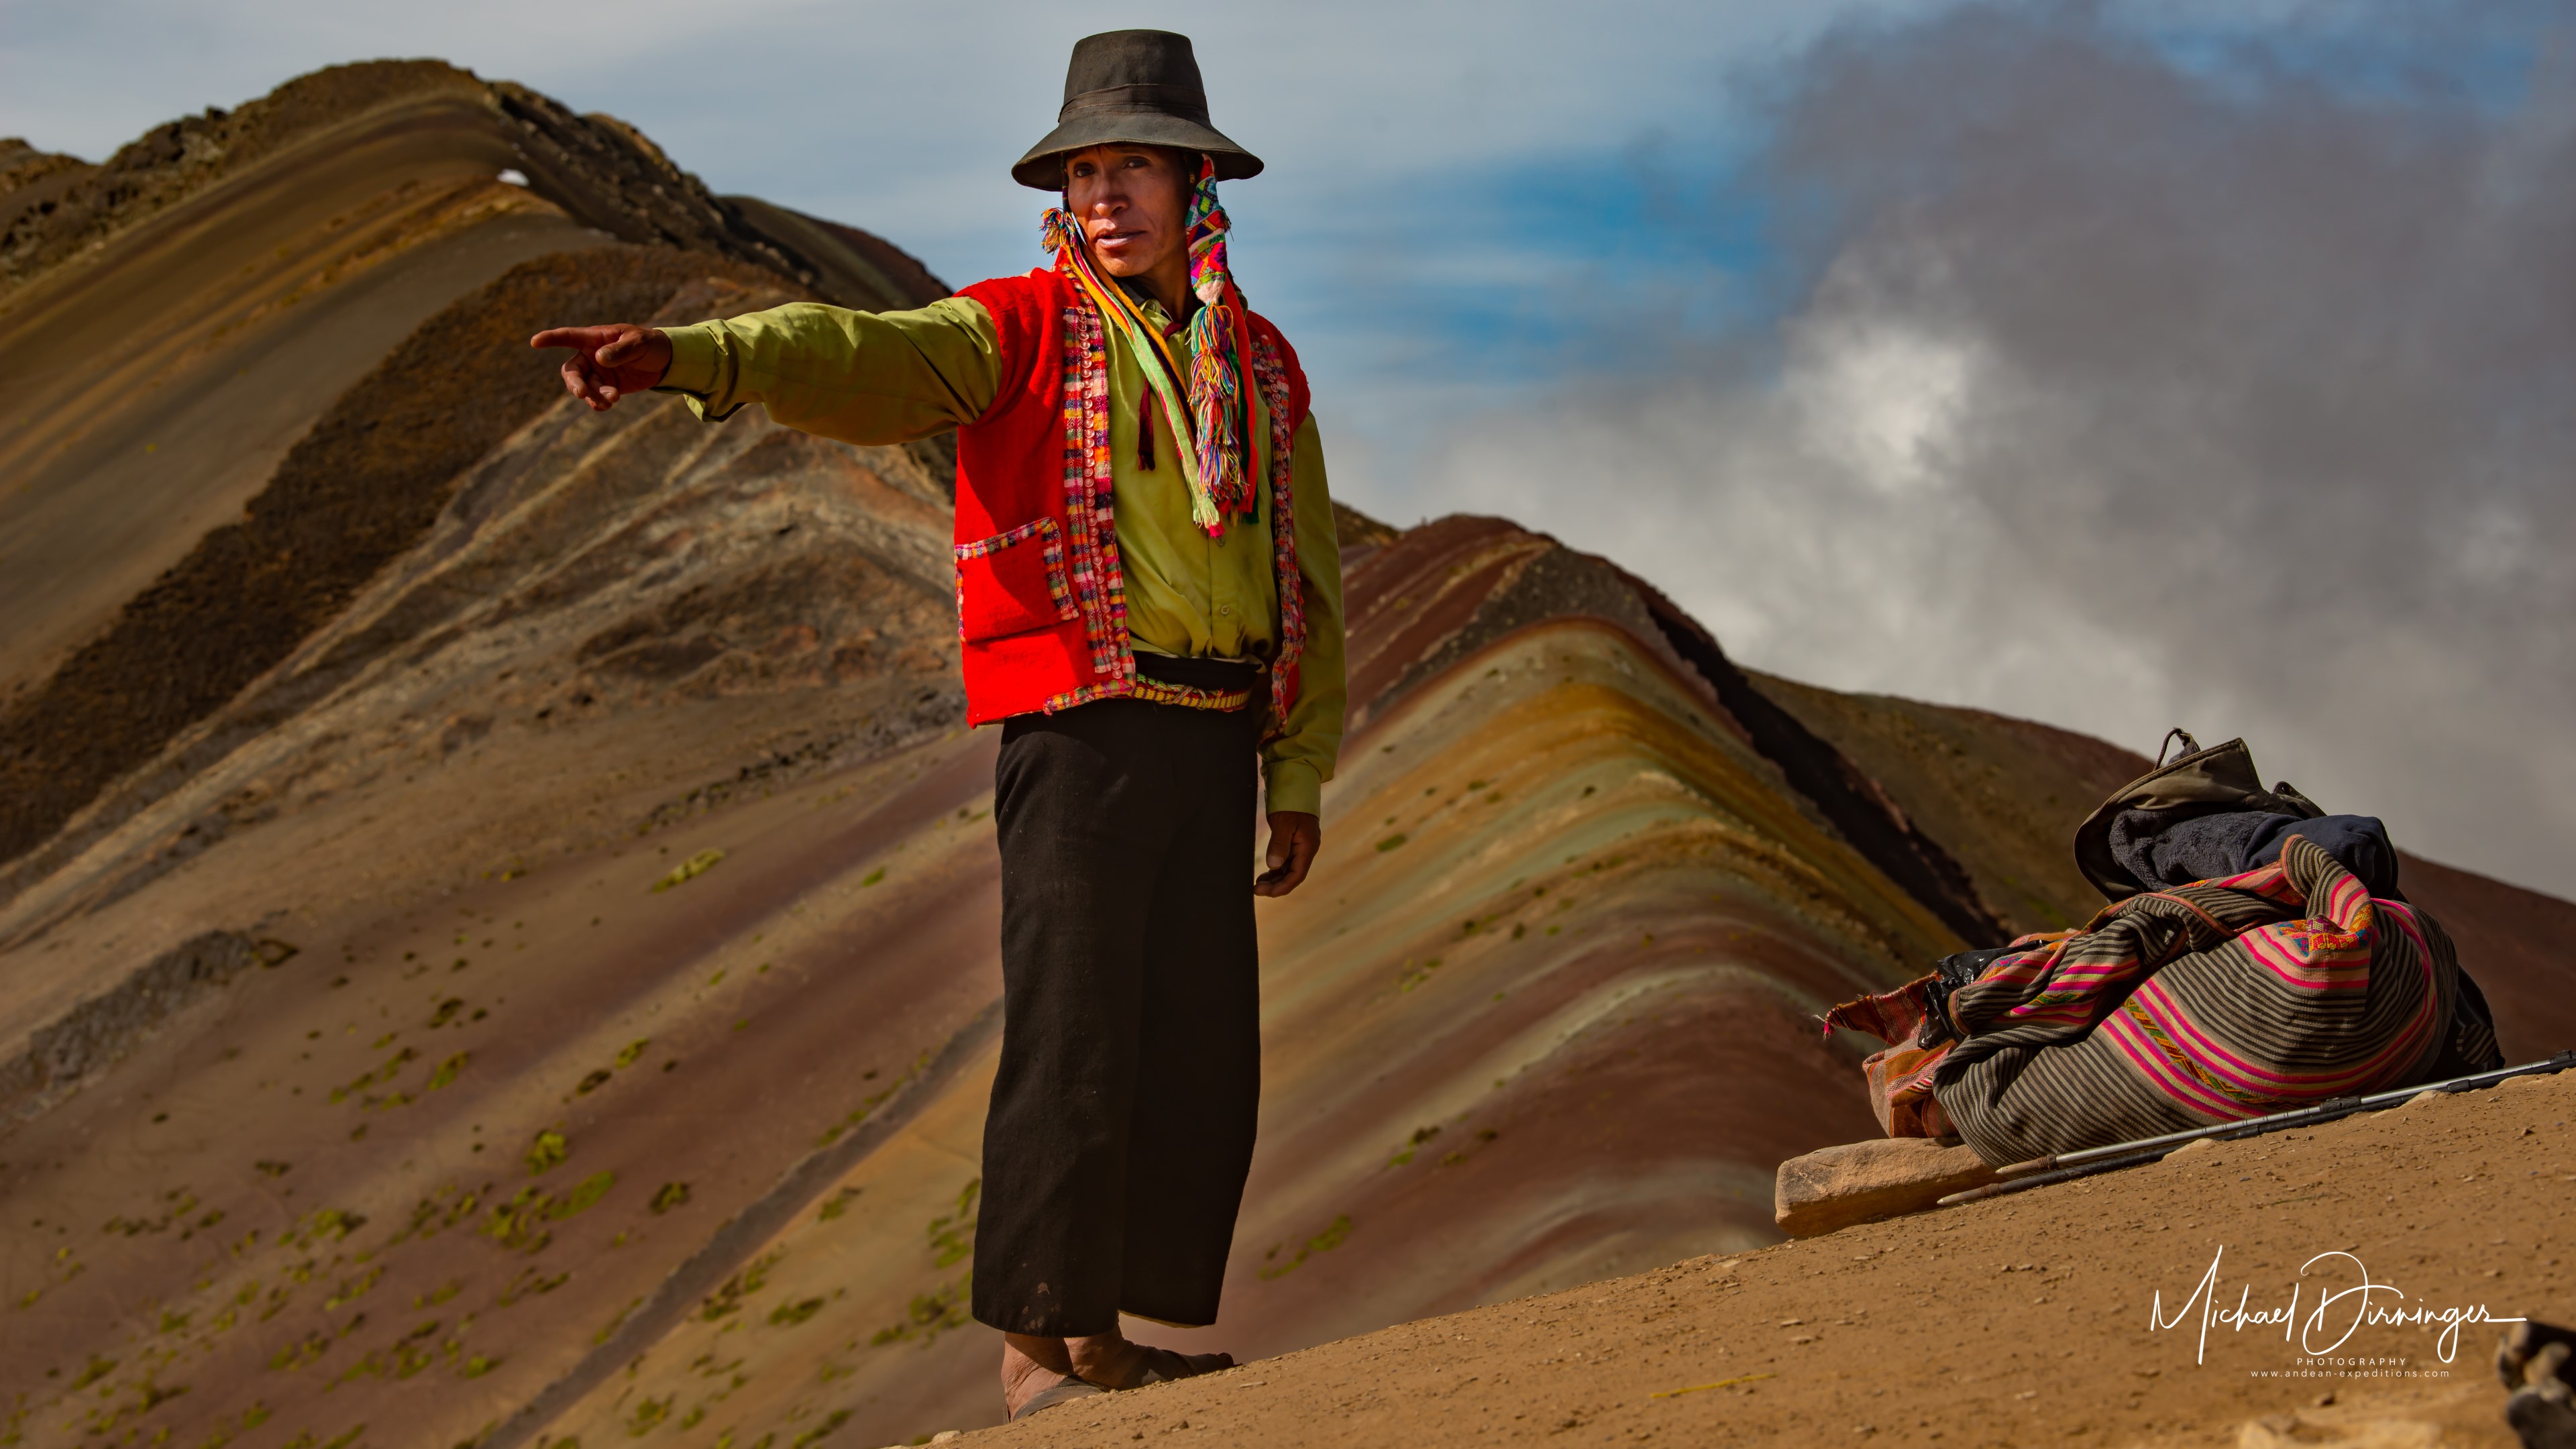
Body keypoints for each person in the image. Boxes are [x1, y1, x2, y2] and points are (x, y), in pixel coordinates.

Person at [529, 29, 1345, 1423]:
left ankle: (1102, 1335)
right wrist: (688, 357)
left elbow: (1304, 572)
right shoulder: (1014, 330)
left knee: (1191, 1040)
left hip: (1214, 735)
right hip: (1079, 728)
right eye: (1085, 169)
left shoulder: (1259, 367)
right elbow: (855, 353)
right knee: (1076, 1029)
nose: (1105, 195)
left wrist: (1300, 765)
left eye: (1134, 165)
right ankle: (1035, 1353)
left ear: (1198, 182)